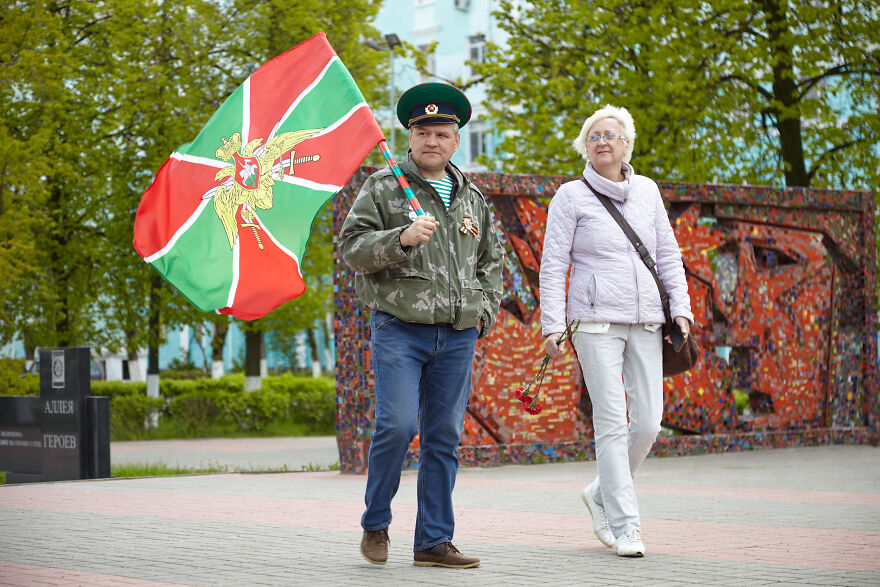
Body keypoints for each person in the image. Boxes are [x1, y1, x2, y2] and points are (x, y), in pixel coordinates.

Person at [338, 82, 504, 569]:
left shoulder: (472, 196)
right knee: (397, 425)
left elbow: (491, 261)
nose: (432, 141)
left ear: (457, 141)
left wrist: (484, 311)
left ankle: (433, 540)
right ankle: (375, 522)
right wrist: (401, 238)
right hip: (400, 328)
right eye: (423, 131)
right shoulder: (384, 186)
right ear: (409, 137)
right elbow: (353, 247)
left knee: (444, 438)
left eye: (442, 133)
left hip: (456, 334)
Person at [539, 105, 693, 557]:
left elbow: (667, 254)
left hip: (647, 320)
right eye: (593, 136)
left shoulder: (647, 191)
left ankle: (601, 493)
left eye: (611, 135)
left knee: (648, 424)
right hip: (594, 323)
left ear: (626, 144)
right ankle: (626, 526)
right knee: (611, 423)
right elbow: (553, 265)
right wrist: (553, 324)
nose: (602, 141)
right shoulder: (570, 196)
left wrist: (680, 310)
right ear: (585, 147)